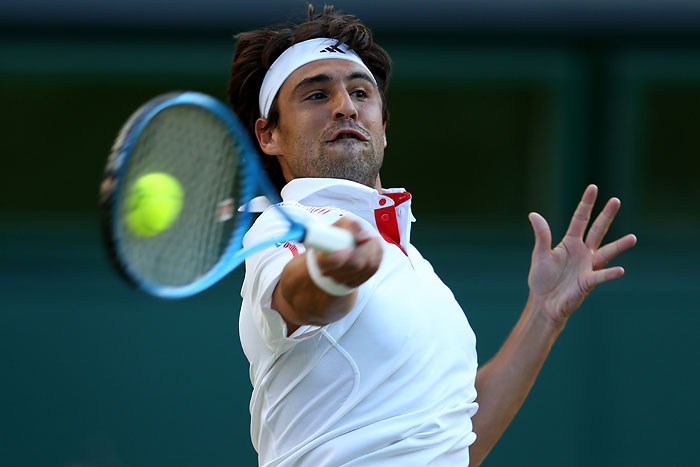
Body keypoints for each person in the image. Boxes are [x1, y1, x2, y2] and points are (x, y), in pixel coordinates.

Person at [227, 4, 637, 466]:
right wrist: (330, 275)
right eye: (317, 95)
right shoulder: (282, 226)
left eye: (360, 92)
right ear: (268, 135)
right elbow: (297, 299)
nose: (346, 107)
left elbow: (459, 442)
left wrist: (543, 314)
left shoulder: (416, 268)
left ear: (383, 127)